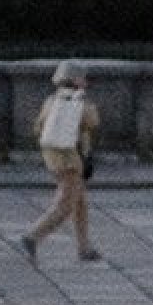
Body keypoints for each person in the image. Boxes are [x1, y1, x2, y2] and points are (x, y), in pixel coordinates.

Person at [19, 60, 102, 262]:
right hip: (71, 157)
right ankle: (33, 236)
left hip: (52, 155)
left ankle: (84, 247)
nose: (86, 81)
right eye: (83, 77)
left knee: (79, 201)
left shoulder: (51, 101)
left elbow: (38, 128)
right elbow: (93, 123)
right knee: (66, 203)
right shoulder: (82, 103)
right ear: (76, 80)